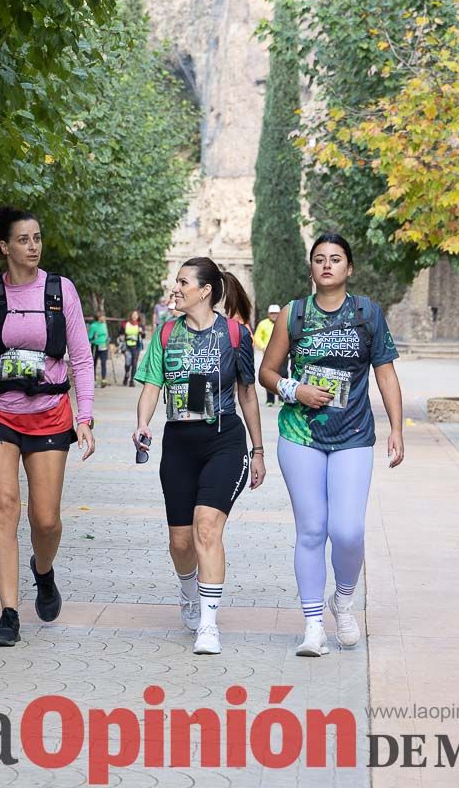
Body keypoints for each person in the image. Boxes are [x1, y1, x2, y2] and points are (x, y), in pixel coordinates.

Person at [0, 206, 97, 647]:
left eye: (37, 238)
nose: (32, 246)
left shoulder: (61, 290)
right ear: (4, 246)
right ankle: (9, 613)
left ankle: (44, 571)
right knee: (4, 505)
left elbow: (81, 357)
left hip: (49, 411)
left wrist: (84, 415)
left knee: (46, 519)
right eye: (23, 239)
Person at [257, 232, 404, 657]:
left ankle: (343, 599)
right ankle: (312, 626)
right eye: (319, 258)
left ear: (349, 268)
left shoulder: (367, 313)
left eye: (335, 259)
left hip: (353, 436)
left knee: (347, 530)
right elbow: (267, 371)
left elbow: (386, 374)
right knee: (311, 530)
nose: (327, 265)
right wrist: (293, 390)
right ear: (311, 268)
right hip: (300, 435)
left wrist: (396, 428)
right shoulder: (294, 314)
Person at [132, 257, 267, 655]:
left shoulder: (235, 334)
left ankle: (208, 623)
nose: (175, 289)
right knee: (180, 542)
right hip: (179, 441)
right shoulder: (165, 333)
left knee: (206, 528)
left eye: (183, 282)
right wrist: (143, 424)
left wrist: (258, 451)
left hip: (223, 439)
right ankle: (189, 590)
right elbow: (152, 386)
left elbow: (247, 393)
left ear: (205, 291)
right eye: (176, 282)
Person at [253, 304, 286, 406]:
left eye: (276, 313)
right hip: (269, 354)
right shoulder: (263, 324)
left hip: (284, 354)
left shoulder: (284, 323)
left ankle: (282, 398)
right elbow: (257, 337)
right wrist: (263, 346)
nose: (274, 315)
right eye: (272, 313)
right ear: (268, 314)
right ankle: (270, 400)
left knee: (283, 375)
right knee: (268, 375)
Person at [121, 310, 146, 386]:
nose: (134, 316)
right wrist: (121, 338)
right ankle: (126, 375)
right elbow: (120, 333)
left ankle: (132, 380)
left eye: (136, 315)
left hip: (136, 347)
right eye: (133, 314)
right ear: (131, 315)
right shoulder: (125, 324)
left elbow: (143, 336)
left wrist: (142, 332)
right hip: (127, 346)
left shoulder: (140, 325)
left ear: (138, 316)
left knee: (134, 363)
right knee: (128, 362)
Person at [87, 313, 110, 388]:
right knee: (94, 363)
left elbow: (106, 335)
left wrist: (108, 339)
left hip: (103, 346)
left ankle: (103, 380)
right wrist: (94, 336)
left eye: (104, 316)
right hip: (95, 346)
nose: (104, 318)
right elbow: (89, 337)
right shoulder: (93, 325)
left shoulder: (104, 325)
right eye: (102, 316)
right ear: (98, 317)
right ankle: (93, 380)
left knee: (104, 363)